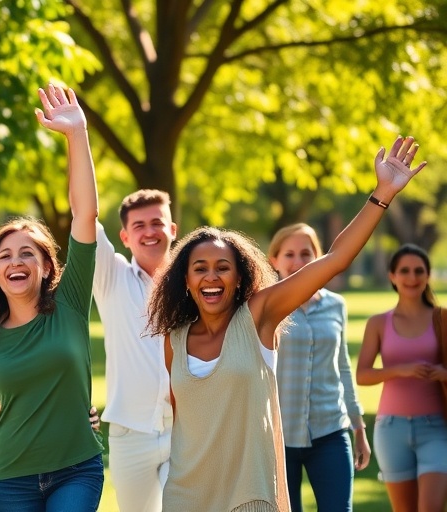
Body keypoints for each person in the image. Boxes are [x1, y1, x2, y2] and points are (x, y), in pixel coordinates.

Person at [145, 136, 426, 511]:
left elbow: (335, 259)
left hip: (251, 495)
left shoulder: (259, 316)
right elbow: (186, 421)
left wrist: (382, 194)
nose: (211, 277)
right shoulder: (174, 340)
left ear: (240, 278)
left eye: (223, 268)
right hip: (186, 497)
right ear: (185, 280)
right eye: (200, 268)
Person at [0, 84, 103, 511]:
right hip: (12, 477)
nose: (16, 261)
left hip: (77, 468)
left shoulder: (71, 303)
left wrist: (77, 135)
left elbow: (85, 213)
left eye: (28, 253)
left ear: (46, 267)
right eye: (5, 256)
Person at [266, 223, 370, 512]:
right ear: (274, 260)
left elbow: (342, 367)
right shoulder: (264, 306)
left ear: (318, 257)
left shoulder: (336, 305)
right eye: (289, 254)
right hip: (277, 436)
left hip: (331, 431)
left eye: (306, 254)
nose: (298, 262)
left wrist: (359, 427)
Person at [91, 189, 176, 512]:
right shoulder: (111, 277)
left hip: (185, 431)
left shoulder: (195, 282)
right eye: (139, 225)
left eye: (157, 222)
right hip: (129, 433)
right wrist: (76, 136)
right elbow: (85, 214)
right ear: (125, 237)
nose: (150, 231)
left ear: (173, 230)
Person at [356, 243, 447, 512]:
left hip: (437, 428)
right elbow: (362, 375)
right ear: (392, 276)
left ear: (428, 275)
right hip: (391, 429)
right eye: (404, 271)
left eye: (419, 271)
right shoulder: (378, 323)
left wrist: (443, 374)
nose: (412, 277)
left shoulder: (442, 319)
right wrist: (400, 370)